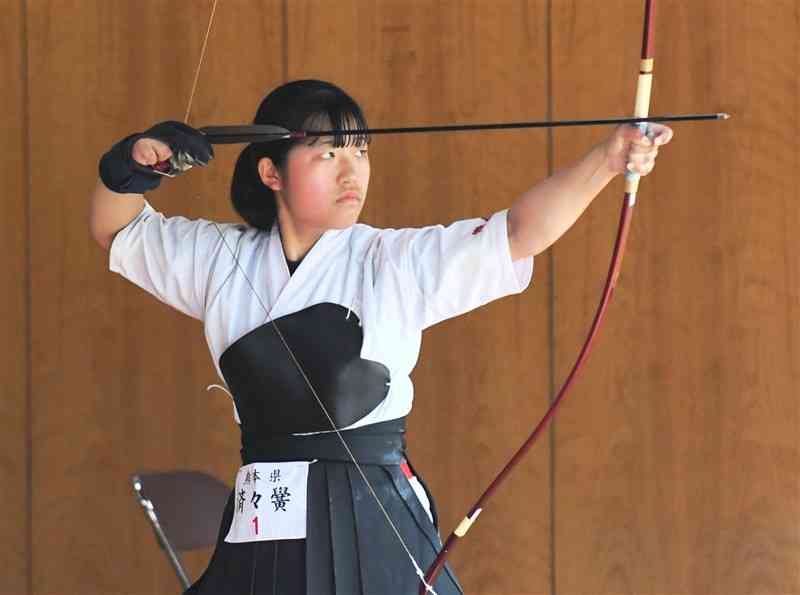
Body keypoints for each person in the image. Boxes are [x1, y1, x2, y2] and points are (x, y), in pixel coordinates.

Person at [89, 79, 672, 595]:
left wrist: (606, 158)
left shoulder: (390, 261)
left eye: (361, 152)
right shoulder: (221, 258)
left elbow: (516, 234)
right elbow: (116, 227)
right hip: (268, 500)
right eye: (327, 155)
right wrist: (138, 165)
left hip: (370, 506)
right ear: (272, 172)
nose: (353, 172)